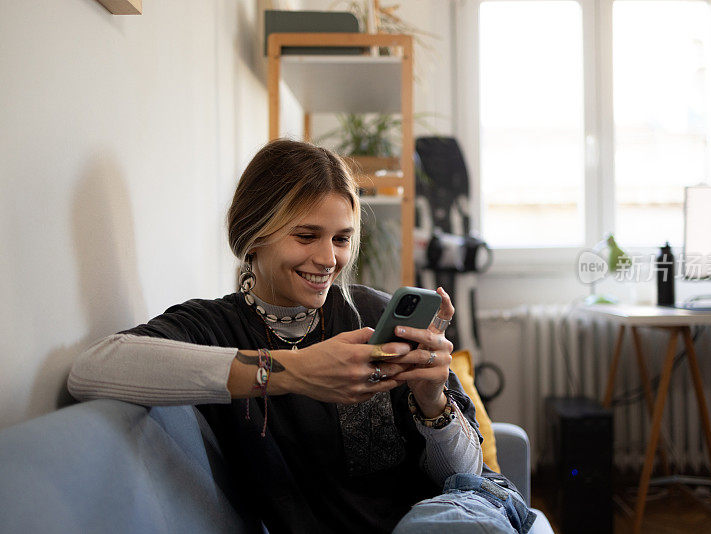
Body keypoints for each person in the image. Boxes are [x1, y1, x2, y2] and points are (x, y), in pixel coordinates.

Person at [68, 139, 534, 533]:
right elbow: (93, 368)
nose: (329, 259)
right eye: (306, 235)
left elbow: (467, 477)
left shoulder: (372, 312)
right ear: (254, 235)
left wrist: (433, 402)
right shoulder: (215, 327)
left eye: (341, 238)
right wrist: (286, 372)